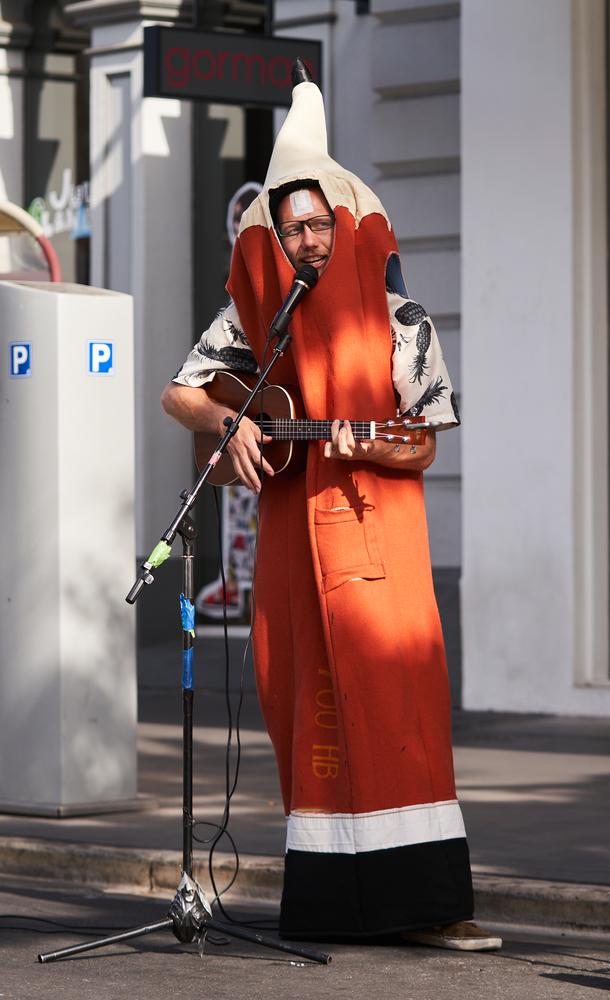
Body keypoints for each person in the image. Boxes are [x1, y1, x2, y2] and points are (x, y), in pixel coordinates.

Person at [162, 62, 501, 952]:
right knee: (302, 708)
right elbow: (181, 394)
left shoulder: (402, 318)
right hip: (289, 548)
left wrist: (369, 442)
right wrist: (232, 418)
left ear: (344, 223)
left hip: (378, 544)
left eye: (318, 225)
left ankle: (430, 905)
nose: (307, 240)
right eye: (291, 228)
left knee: (399, 711)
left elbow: (427, 438)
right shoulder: (255, 321)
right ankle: (330, 909)